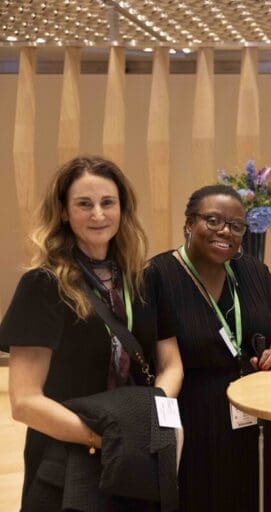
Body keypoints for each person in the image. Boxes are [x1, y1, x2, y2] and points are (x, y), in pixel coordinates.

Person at [0, 155, 183, 509]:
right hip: (69, 453)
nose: (98, 215)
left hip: (138, 453)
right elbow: (24, 402)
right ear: (64, 213)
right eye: (84, 204)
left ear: (122, 209)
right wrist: (109, 438)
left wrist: (150, 420)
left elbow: (171, 364)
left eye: (107, 203)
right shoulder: (42, 286)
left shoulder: (144, 279)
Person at [149, 185, 271, 511]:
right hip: (193, 420)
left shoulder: (254, 272)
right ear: (188, 223)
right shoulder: (158, 276)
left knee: (257, 497)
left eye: (236, 225)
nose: (225, 231)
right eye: (213, 220)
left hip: (255, 418)